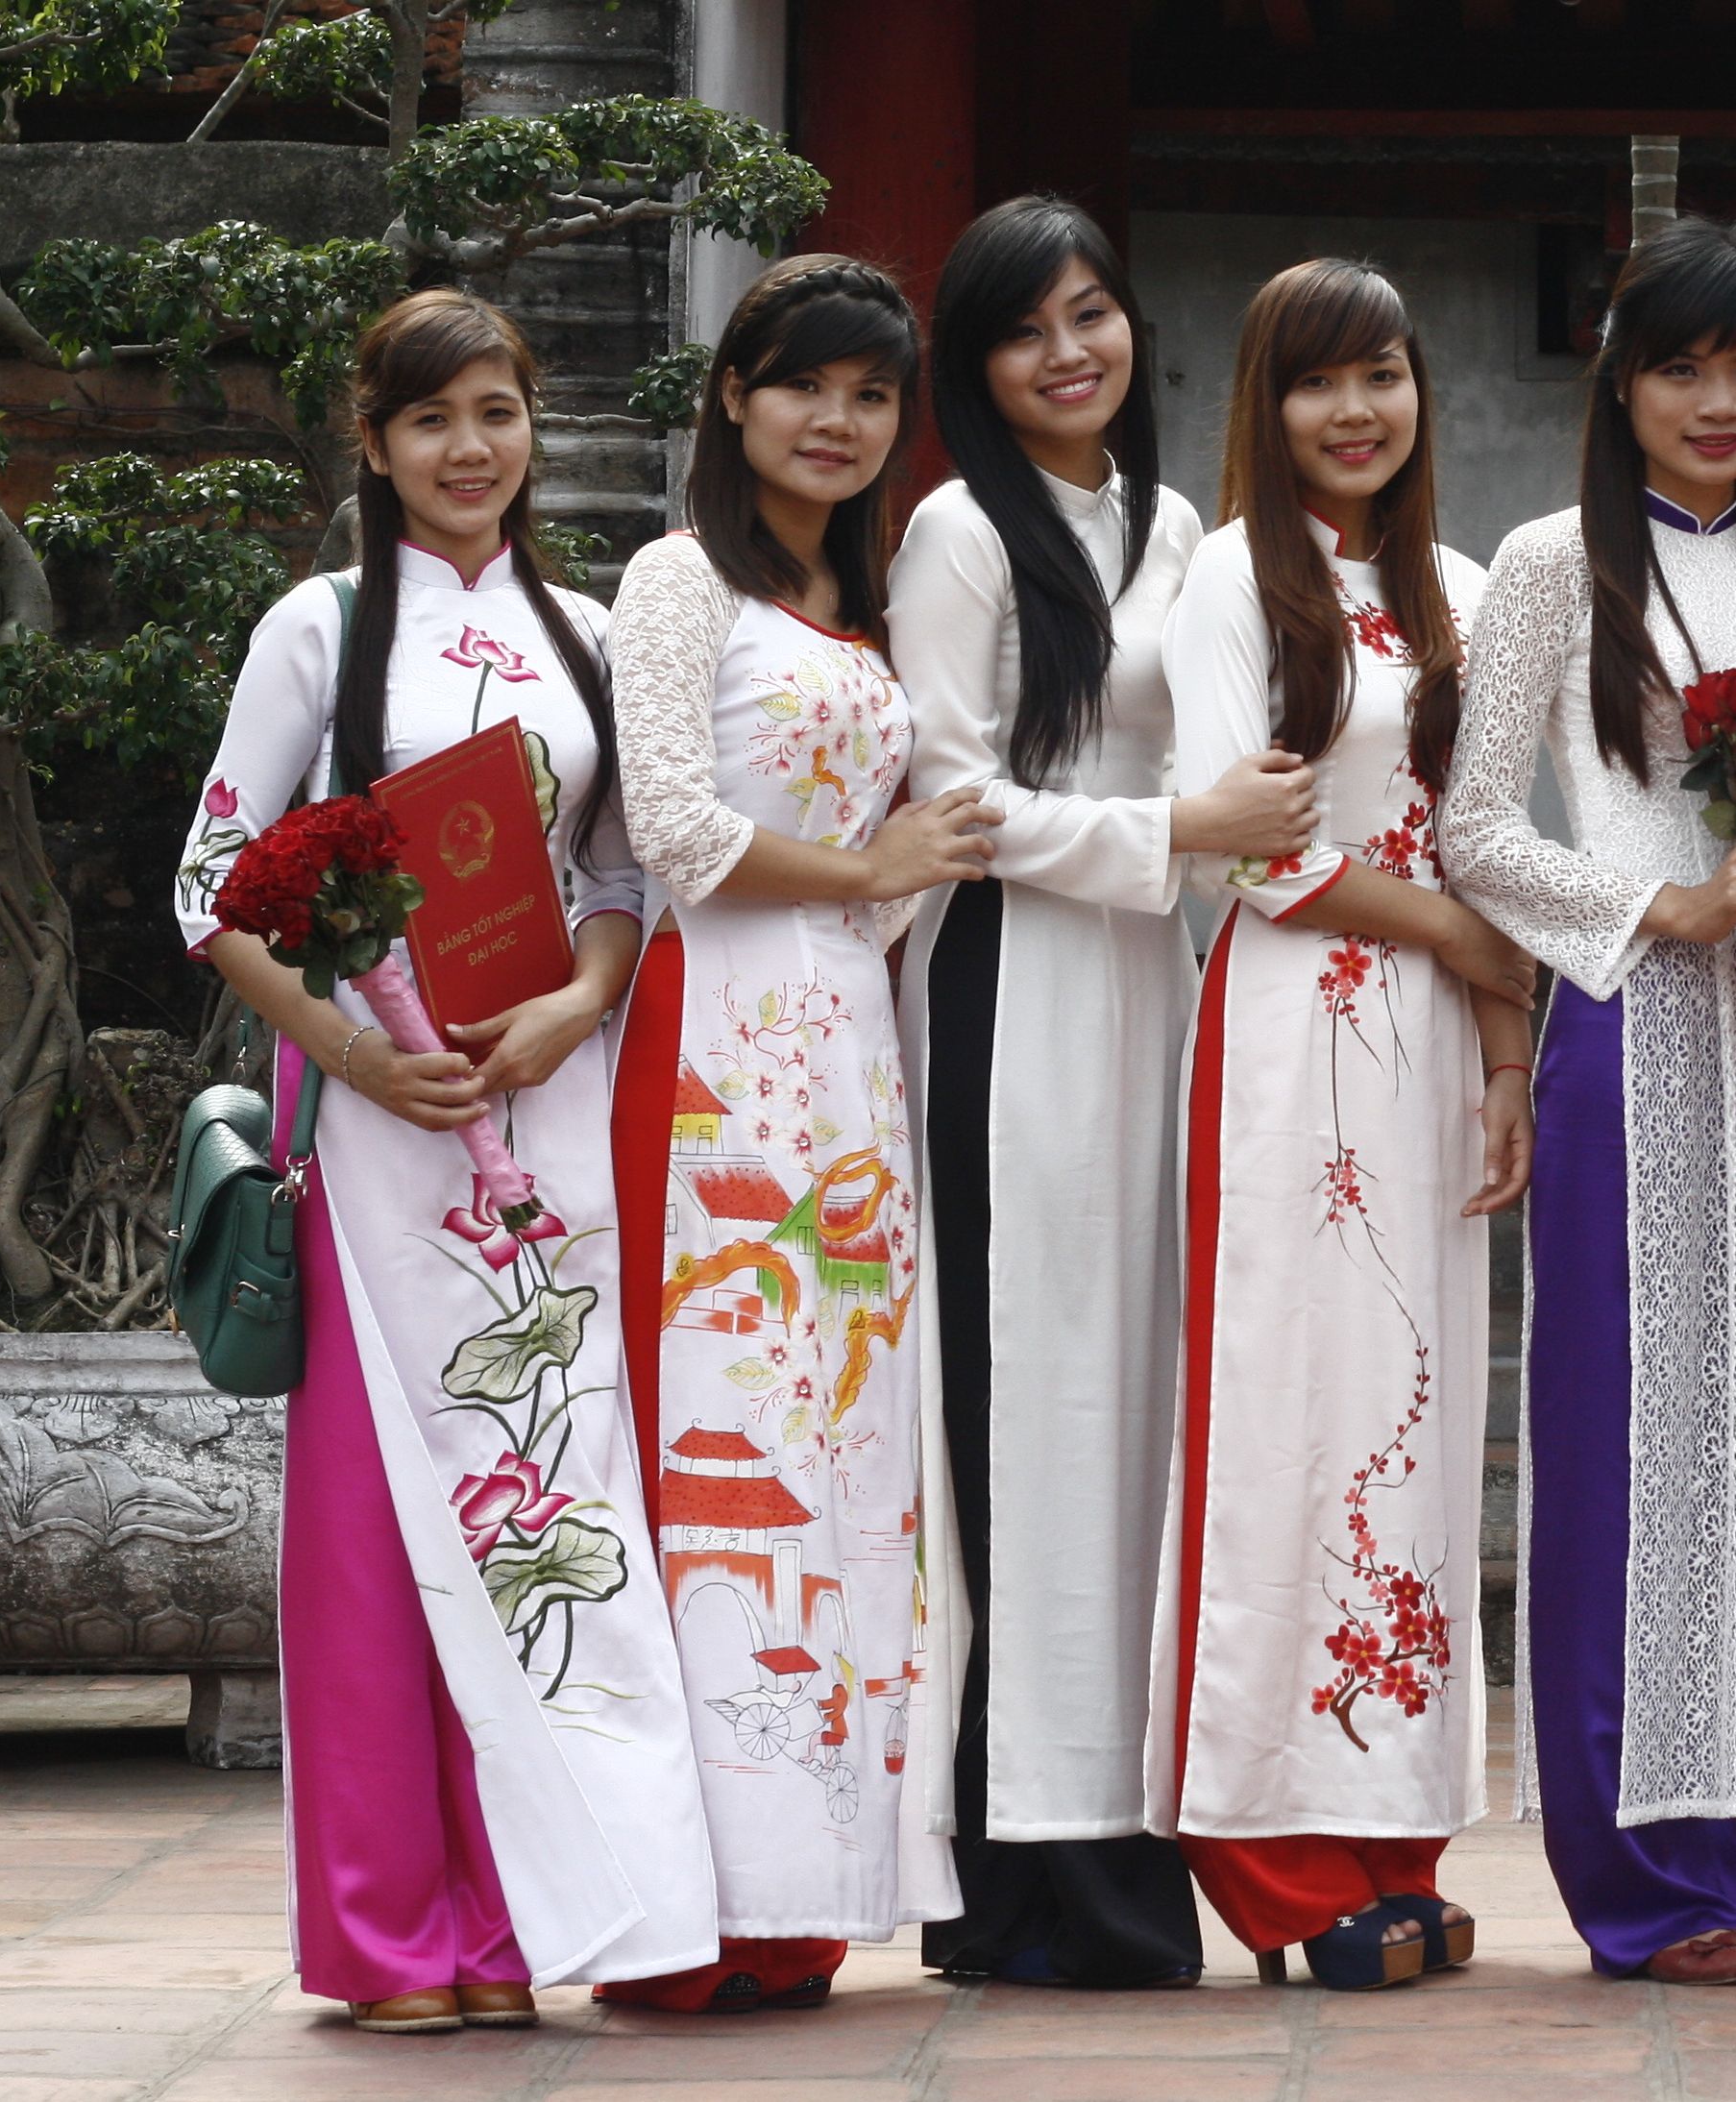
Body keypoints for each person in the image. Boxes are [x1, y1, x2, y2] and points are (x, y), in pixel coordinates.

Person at [180, 288, 716, 2032]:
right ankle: (390, 1928)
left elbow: (626, 875)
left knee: (546, 1508)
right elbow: (212, 885)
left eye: (497, 412)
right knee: (375, 1521)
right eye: (431, 422)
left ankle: (523, 1923)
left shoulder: (588, 633)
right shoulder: (319, 630)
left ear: (531, 424)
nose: (470, 449)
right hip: (378, 1125)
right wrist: (342, 1050)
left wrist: (573, 1010)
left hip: (546, 1108)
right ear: (373, 439)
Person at [891, 196, 1315, 1992]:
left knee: (1148, 1410)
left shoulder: (1178, 528)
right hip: (1020, 995)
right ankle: (1023, 1879)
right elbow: (952, 800)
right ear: (977, 372)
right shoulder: (956, 532)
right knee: (1032, 1412)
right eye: (1026, 331)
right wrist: (1179, 832)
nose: (1071, 354)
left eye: (1095, 316)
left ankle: (1137, 1839)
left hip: (1165, 992)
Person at [1440, 216, 1736, 1989]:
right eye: (1682, 367)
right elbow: (1476, 828)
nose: (1719, 400)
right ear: (1621, 382)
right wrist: (1658, 905)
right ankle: (1634, 1883)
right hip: (1623, 1033)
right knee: (1626, 1457)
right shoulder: (1551, 562)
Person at [603, 253, 988, 2011]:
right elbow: (675, 828)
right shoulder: (679, 578)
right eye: (803, 386)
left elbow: (904, 876)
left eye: (873, 396)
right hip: (710, 1053)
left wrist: (880, 899)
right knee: (723, 1432)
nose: (838, 422)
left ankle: (808, 1889)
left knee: (846, 1457)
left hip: (848, 1051)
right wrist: (873, 871)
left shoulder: (871, 602)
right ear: (733, 399)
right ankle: (692, 1905)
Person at [1152, 257, 1532, 1992]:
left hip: (1441, 1044)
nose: (1357, 411)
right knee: (1290, 1413)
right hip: (1301, 1035)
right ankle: (1274, 1850)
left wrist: (1509, 1041)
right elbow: (1260, 849)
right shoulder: (1236, 576)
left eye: (1383, 374)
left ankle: (1390, 1835)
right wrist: (1457, 939)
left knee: (1422, 1419)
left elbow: (1487, 843)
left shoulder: (1458, 589)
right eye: (1319, 383)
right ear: (1267, 404)